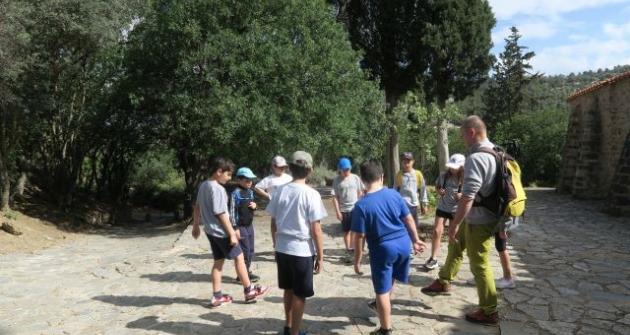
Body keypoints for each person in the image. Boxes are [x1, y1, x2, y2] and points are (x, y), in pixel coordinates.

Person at [421, 115, 501, 325]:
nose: (463, 139)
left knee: (479, 264)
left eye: (463, 135)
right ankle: (444, 281)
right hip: (481, 215)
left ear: (472, 132)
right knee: (456, 247)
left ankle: (489, 310)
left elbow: (468, 197)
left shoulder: (477, 158)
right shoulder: (495, 150)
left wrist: (454, 224)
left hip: (479, 219)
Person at [352, 159, 427, 335]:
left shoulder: (361, 205)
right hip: (403, 244)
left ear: (362, 179)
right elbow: (408, 218)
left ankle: (385, 329)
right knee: (390, 277)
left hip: (383, 248)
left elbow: (360, 237)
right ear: (382, 176)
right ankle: (382, 305)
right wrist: (415, 239)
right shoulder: (394, 194)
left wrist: (357, 260)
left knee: (381, 291)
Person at [192, 157, 269, 308]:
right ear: (219, 171)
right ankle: (249, 290)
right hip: (222, 233)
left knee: (218, 263)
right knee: (239, 258)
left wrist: (196, 226)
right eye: (228, 174)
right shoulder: (218, 189)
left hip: (210, 232)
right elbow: (221, 213)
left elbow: (197, 206)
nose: (229, 178)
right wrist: (233, 233)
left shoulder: (203, 186)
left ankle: (217, 296)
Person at [267, 151, 327, 335]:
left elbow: (273, 223)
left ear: (291, 169)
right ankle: (295, 332)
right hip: (301, 250)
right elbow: (316, 229)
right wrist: (321, 256)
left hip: (283, 248)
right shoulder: (311, 194)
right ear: (310, 170)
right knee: (300, 294)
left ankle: (288, 326)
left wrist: (275, 244)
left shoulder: (280, 191)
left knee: (288, 289)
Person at [424, 154, 465, 270]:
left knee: (453, 236)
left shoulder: (466, 178)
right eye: (451, 166)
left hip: (456, 211)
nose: (452, 169)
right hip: (442, 207)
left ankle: (451, 259)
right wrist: (439, 191)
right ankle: (433, 258)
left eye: (455, 167)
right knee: (437, 231)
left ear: (461, 167)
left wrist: (462, 195)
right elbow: (437, 187)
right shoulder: (443, 175)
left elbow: (470, 194)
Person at [229, 167, 260, 283]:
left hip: (249, 225)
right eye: (247, 180)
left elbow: (252, 205)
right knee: (245, 250)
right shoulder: (235, 194)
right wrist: (234, 228)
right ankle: (243, 274)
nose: (250, 182)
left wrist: (255, 206)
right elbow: (232, 212)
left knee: (251, 250)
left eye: (251, 180)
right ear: (239, 180)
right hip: (240, 226)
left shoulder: (250, 192)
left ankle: (245, 271)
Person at [331, 157, 364, 256]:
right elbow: (335, 197)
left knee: (356, 230)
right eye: (344, 170)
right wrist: (337, 211)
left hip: (355, 208)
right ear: (340, 170)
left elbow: (360, 191)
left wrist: (359, 204)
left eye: (348, 169)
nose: (346, 171)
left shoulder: (355, 178)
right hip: (344, 210)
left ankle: (354, 247)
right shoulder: (336, 181)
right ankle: (348, 249)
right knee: (346, 231)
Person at [394, 152, 428, 227]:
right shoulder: (399, 175)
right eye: (404, 162)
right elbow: (395, 191)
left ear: (413, 162)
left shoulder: (418, 174)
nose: (406, 164)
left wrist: (424, 204)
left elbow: (423, 189)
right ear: (401, 162)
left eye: (408, 162)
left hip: (414, 205)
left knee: (414, 226)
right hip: (402, 205)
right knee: (403, 226)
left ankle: (414, 238)